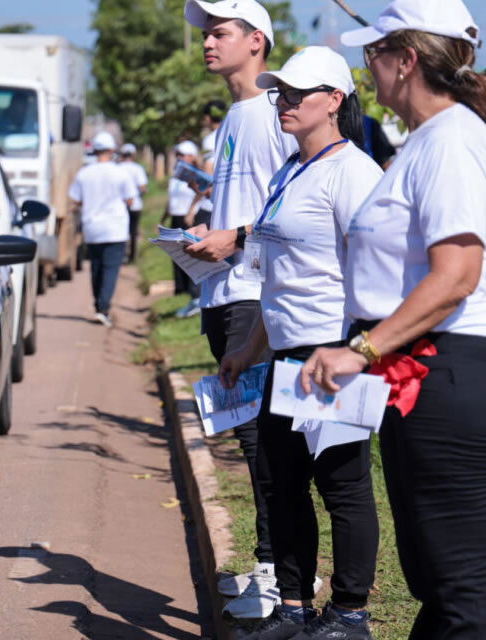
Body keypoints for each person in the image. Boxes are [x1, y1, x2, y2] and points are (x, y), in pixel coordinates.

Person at [301, 1, 486, 637]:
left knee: (461, 590)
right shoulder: (427, 141)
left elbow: (458, 271)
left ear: (406, 60)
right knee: (439, 583)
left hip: (446, 374)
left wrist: (363, 349)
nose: (365, 69)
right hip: (421, 375)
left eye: (372, 55)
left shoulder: (451, 141)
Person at [220, 46, 383, 640]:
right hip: (286, 353)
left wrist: (356, 351)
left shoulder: (354, 173)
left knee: (341, 483)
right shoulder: (290, 168)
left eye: (296, 93)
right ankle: (294, 608)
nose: (283, 103)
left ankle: (349, 615)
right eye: (278, 93)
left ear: (334, 100)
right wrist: (250, 348)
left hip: (331, 352)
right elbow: (277, 277)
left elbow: (377, 277)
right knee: (281, 480)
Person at [182, 0, 300, 619]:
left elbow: (290, 207)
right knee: (249, 438)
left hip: (253, 295)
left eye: (219, 32)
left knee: (263, 443)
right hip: (223, 290)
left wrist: (236, 237)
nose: (207, 42)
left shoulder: (268, 116)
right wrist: (206, 231)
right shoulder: (234, 115)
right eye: (205, 33)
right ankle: (264, 569)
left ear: (257, 41)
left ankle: (278, 578)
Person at [68, 131, 138, 328]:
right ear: (112, 150)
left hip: (92, 228)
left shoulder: (84, 174)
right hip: (115, 228)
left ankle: (99, 305)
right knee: (110, 270)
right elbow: (131, 200)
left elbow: (75, 199)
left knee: (96, 269)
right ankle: (103, 307)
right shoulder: (120, 173)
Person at [165, 140, 203, 313]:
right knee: (176, 253)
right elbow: (171, 199)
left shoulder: (196, 174)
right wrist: (164, 217)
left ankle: (192, 290)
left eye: (182, 155)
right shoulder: (176, 174)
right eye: (177, 155)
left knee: (189, 253)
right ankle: (180, 288)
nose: (179, 158)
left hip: (189, 219)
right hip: (176, 216)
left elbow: (201, 193)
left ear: (191, 157)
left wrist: (190, 212)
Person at [118, 142, 148, 263]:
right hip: (135, 205)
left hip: (120, 205)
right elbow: (142, 187)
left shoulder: (117, 168)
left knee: (121, 230)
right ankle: (132, 256)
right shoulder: (138, 168)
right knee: (133, 230)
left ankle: (121, 255)